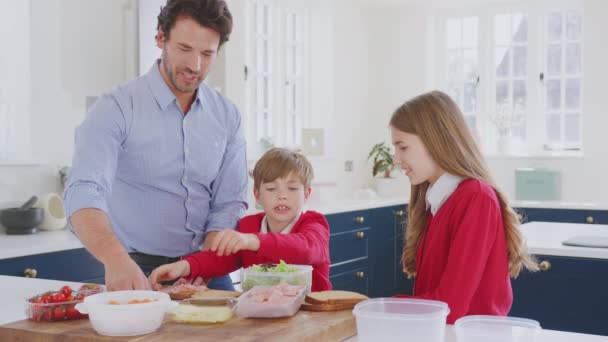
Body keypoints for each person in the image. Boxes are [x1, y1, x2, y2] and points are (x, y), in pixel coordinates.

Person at [63, 0, 247, 291]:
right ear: (161, 37)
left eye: (207, 54)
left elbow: (229, 201)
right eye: (185, 49)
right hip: (137, 269)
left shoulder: (226, 115)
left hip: (204, 268)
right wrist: (116, 260)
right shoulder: (115, 108)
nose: (195, 66)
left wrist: (206, 259)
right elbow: (83, 191)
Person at [389, 90, 538, 323]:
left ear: (434, 140)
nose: (396, 159)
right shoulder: (437, 200)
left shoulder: (476, 199)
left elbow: (448, 307)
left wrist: (381, 308)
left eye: (403, 147)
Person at [148, 148, 332, 292]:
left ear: (307, 193)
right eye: (271, 189)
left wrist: (252, 240)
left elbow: (307, 249)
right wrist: (184, 266)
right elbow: (220, 258)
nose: (282, 196)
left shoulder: (314, 223)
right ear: (257, 195)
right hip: (263, 314)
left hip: (311, 315)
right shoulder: (248, 225)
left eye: (292, 189)